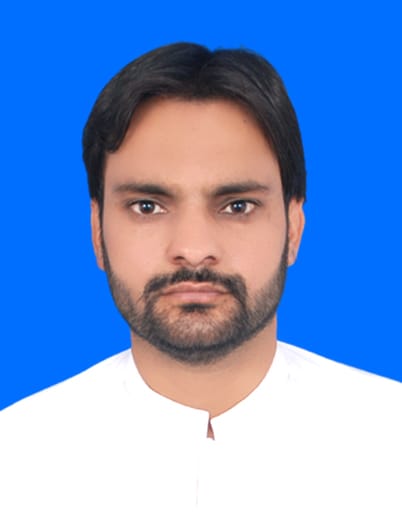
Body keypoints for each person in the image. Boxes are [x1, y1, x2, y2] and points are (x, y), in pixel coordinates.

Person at [0, 42, 400, 520]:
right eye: (147, 206)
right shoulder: (15, 460)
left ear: (294, 229)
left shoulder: (389, 440)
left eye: (237, 206)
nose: (192, 248)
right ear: (97, 232)